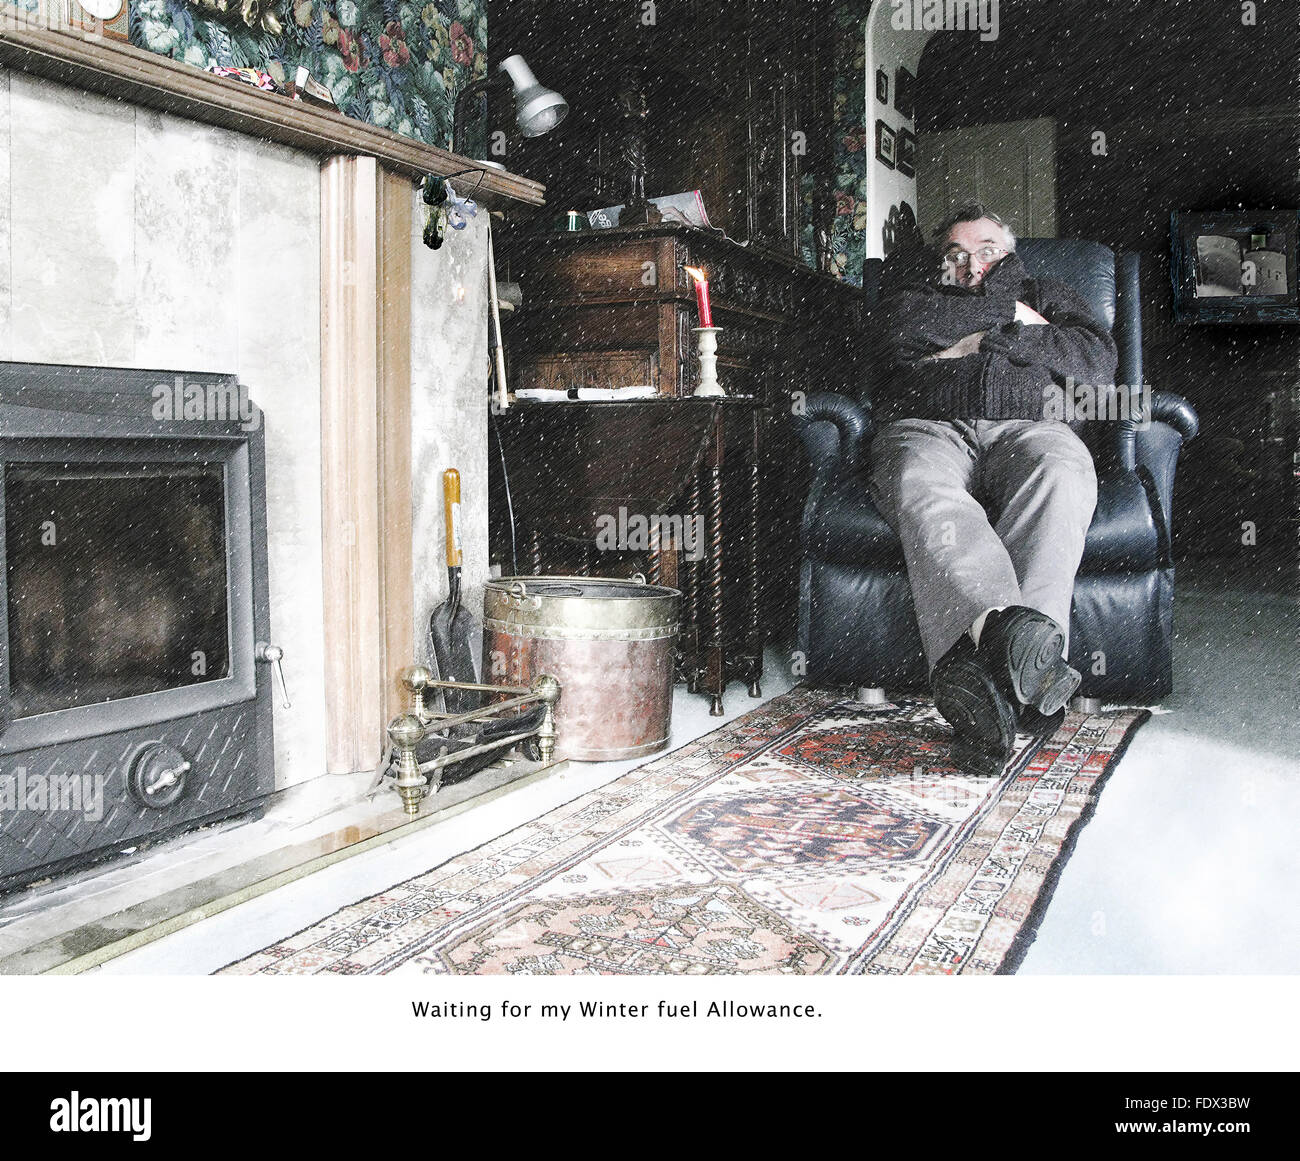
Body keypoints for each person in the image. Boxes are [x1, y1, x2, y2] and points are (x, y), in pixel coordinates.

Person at [868, 202, 1118, 776]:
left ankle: (993, 671)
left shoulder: (1049, 290)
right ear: (943, 261)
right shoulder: (914, 296)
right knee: (920, 485)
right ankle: (1021, 667)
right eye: (958, 253)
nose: (973, 263)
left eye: (987, 251)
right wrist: (1019, 325)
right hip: (929, 425)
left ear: (1009, 254)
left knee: (1062, 475)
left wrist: (974, 339)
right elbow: (897, 345)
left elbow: (1097, 362)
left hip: (1034, 425)